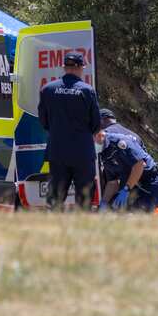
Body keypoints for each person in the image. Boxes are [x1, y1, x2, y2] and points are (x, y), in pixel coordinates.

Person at [38, 52, 101, 210]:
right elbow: (96, 124)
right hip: (82, 151)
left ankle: (52, 227)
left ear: (64, 67)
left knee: (56, 196)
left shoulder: (47, 90)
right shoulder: (87, 91)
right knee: (84, 197)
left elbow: (43, 121)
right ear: (80, 68)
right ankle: (82, 230)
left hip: (57, 150)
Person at [98, 126, 158, 212]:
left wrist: (126, 189)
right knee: (114, 210)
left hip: (150, 184)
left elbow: (139, 165)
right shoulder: (103, 153)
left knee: (136, 213)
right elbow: (112, 182)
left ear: (99, 135)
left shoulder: (121, 142)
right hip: (132, 188)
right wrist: (104, 203)